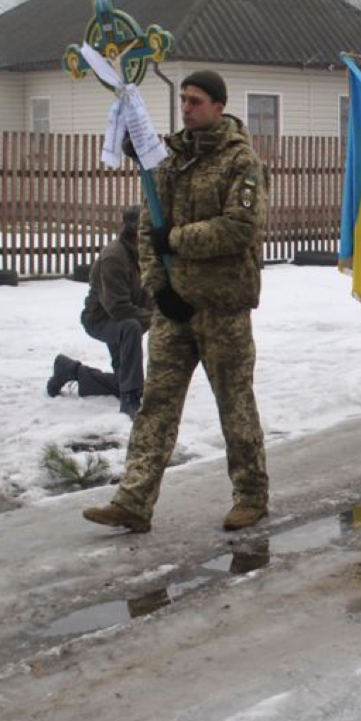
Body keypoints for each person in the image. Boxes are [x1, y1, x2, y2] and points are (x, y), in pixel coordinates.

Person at [83, 70, 271, 535]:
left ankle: (251, 495)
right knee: (157, 404)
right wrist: (158, 288)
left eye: (196, 101)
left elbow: (239, 229)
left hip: (222, 307)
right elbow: (147, 231)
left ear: (219, 106)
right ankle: (134, 499)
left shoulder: (240, 162)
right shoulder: (166, 161)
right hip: (172, 307)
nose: (186, 108)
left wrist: (179, 239)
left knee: (235, 404)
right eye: (183, 100)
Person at [48, 207, 152, 418]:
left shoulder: (148, 254)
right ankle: (130, 398)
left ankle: (71, 370)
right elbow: (118, 308)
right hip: (102, 319)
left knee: (127, 380)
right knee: (130, 327)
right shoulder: (114, 257)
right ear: (137, 232)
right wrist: (157, 318)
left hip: (132, 317)